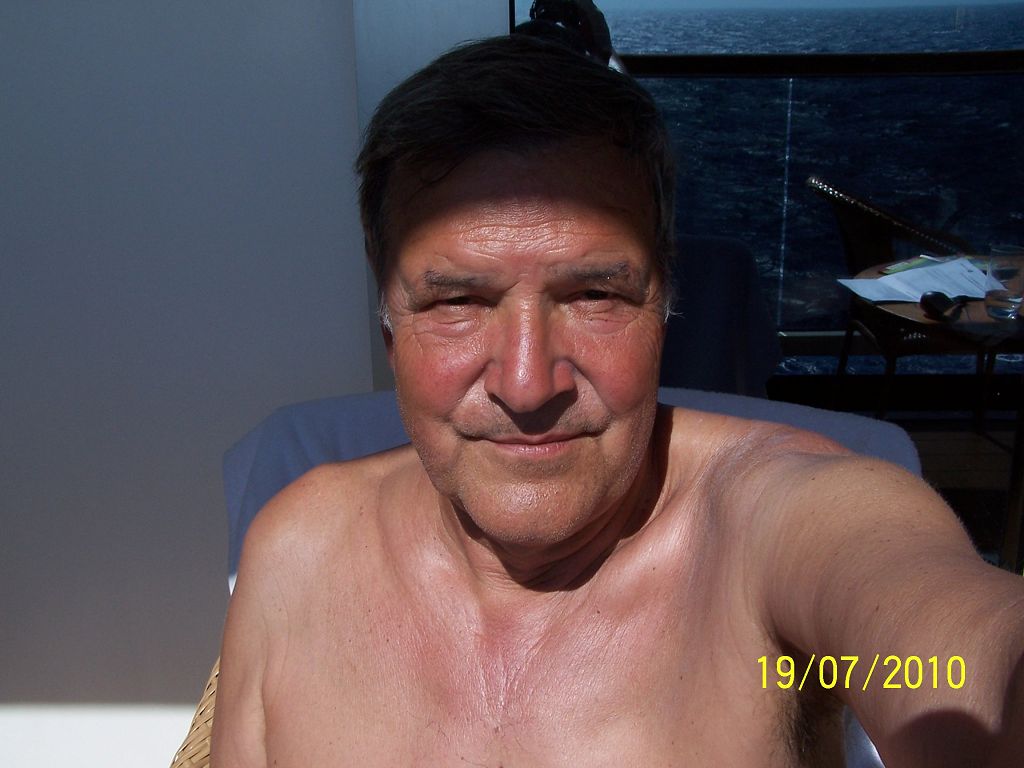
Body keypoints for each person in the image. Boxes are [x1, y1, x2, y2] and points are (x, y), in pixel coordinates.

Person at [210, 34, 1024, 767]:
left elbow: (947, 657)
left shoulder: (769, 538)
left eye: (594, 294)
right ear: (390, 326)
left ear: (664, 306)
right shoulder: (294, 557)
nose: (527, 385)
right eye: (456, 302)